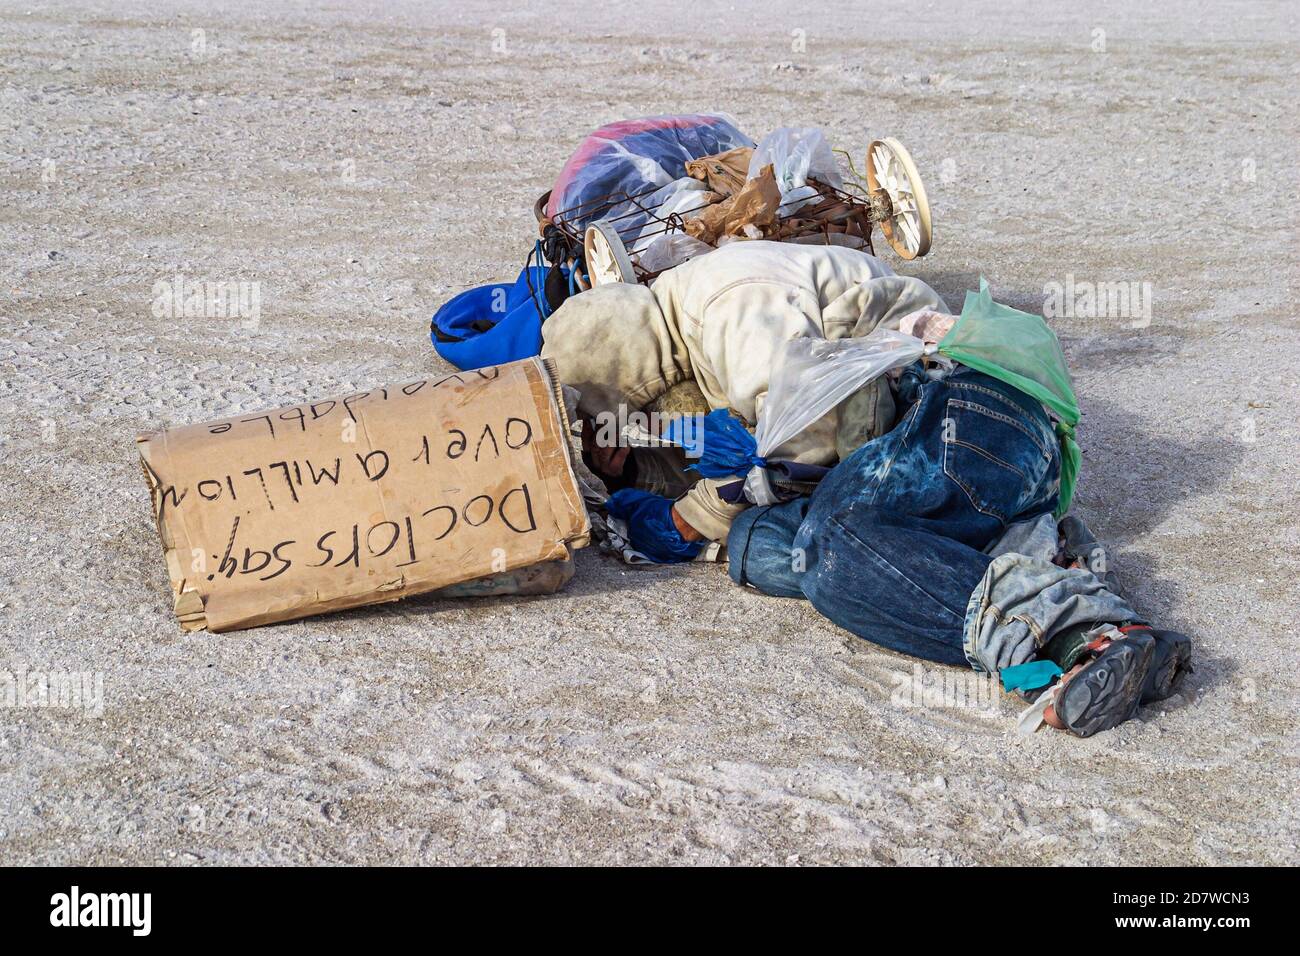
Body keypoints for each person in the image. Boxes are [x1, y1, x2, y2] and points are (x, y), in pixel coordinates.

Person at [725, 358, 1193, 736]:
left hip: (971, 411)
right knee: (756, 546)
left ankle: (1073, 635)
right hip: (997, 464)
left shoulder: (749, 321)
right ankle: (1076, 606)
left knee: (831, 548)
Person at [541, 239, 946, 560]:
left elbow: (803, 434)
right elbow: (740, 448)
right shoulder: (672, 316)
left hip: (909, 365)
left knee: (769, 537)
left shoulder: (728, 309)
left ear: (626, 366)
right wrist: (633, 471)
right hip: (846, 375)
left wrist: (692, 520)